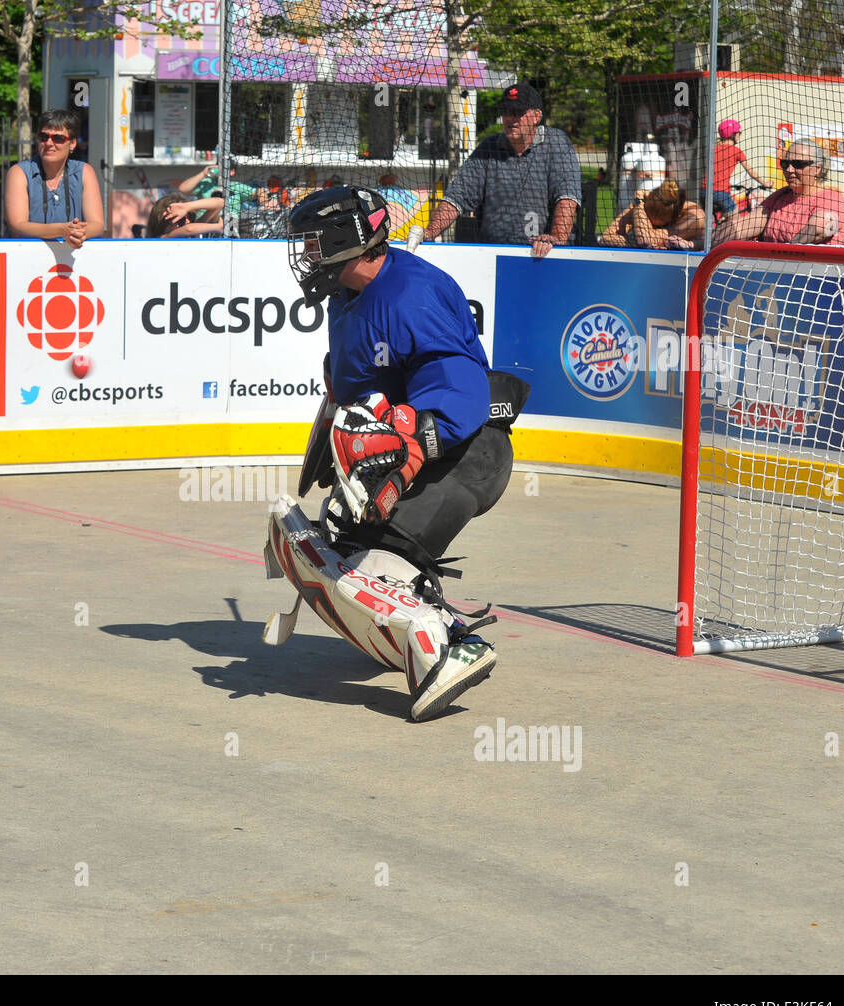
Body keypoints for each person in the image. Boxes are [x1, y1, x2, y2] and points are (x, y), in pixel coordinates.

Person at [264, 186, 525, 722]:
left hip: (466, 451)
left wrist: (403, 453)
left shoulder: (411, 296)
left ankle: (452, 646)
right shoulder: (347, 294)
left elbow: (462, 395)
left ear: (345, 240)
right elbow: (351, 387)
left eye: (312, 243)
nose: (305, 256)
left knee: (378, 561)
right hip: (408, 454)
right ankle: (400, 605)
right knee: (348, 549)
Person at [418, 83, 581, 258]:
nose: (510, 119)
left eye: (518, 112)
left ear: (536, 116)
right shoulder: (489, 147)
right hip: (493, 254)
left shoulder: (556, 143)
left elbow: (567, 198)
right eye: (506, 112)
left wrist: (555, 238)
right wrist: (429, 232)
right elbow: (457, 197)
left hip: (544, 255)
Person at [714, 138, 844, 246]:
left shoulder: (831, 197)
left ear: (817, 168)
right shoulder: (781, 195)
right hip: (775, 271)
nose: (789, 169)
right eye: (785, 164)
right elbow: (745, 226)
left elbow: (817, 229)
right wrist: (702, 243)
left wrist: (785, 256)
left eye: (798, 164)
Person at [4, 109, 104, 248]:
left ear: (73, 143)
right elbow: (18, 225)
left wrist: (77, 234)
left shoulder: (85, 172)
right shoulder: (19, 172)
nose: (49, 143)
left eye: (58, 138)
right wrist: (61, 231)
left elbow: (98, 224)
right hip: (25, 257)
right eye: (44, 137)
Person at [598, 180, 705, 250]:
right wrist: (638, 204)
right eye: (646, 214)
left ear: (670, 217)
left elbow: (645, 240)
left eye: (650, 217)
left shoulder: (695, 218)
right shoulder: (642, 203)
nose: (647, 221)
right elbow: (606, 237)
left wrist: (631, 242)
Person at [712, 120, 770, 218]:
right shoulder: (736, 151)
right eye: (739, 133)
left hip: (704, 192)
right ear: (733, 134)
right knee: (736, 222)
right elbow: (751, 172)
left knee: (720, 219)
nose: (739, 136)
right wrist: (765, 183)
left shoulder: (713, 149)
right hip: (720, 192)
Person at [146, 193, 224, 237]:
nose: (187, 221)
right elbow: (188, 229)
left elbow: (220, 203)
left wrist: (187, 207)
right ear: (164, 221)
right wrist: (218, 227)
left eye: (190, 216)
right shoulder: (163, 238)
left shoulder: (194, 230)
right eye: (181, 220)